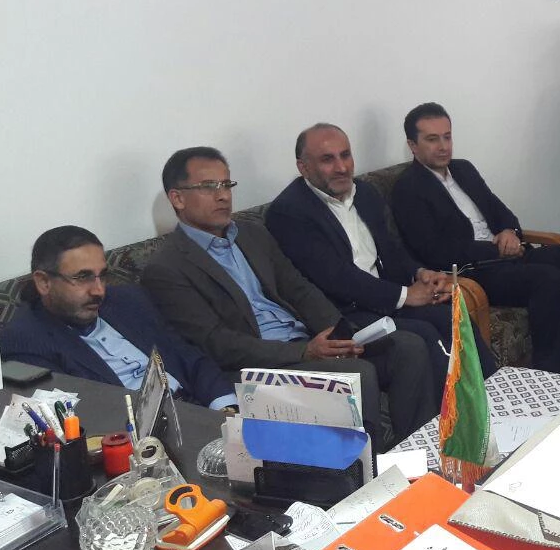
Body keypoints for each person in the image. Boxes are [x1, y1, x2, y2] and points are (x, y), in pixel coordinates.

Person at [141, 146, 436, 445]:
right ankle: (370, 470)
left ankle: (416, 455)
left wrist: (338, 333)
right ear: (177, 198)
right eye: (209, 187)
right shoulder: (167, 268)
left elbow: (299, 288)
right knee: (357, 374)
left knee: (407, 346)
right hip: (261, 366)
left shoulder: (251, 234)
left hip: (308, 343)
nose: (223, 196)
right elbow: (218, 344)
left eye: (226, 184)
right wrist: (304, 352)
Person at [391, 103, 560, 380]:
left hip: (509, 255)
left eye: (447, 137)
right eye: (432, 139)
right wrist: (496, 248)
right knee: (546, 277)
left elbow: (502, 213)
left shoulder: (463, 169)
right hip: (475, 272)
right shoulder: (408, 188)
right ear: (413, 146)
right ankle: (553, 374)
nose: (443, 146)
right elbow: (434, 250)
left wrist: (509, 231)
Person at [265, 123, 498, 393]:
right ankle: (449, 415)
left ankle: (493, 397)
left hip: (384, 299)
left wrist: (420, 273)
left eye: (345, 155)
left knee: (451, 316)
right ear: (303, 167)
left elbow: (392, 250)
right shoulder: (289, 212)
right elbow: (335, 277)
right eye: (327, 160)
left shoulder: (364, 193)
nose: (341, 167)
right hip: (346, 314)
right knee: (423, 335)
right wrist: (405, 295)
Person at [0, 226, 237, 411]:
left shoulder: (128, 301)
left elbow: (187, 356)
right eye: (82, 277)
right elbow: (83, 416)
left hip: (200, 407)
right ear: (44, 282)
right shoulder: (26, 340)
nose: (98, 290)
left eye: (102, 276)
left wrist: (225, 407)